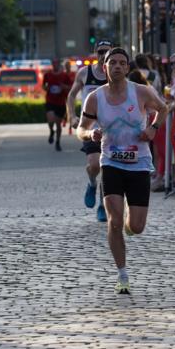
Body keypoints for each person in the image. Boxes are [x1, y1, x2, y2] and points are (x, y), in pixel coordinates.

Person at [77, 47, 168, 296]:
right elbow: (80, 128)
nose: (117, 66)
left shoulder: (140, 92)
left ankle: (131, 223)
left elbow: (164, 108)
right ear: (104, 67)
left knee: (136, 227)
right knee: (114, 220)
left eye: (121, 63)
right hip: (111, 164)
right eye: (112, 62)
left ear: (127, 68)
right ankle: (122, 274)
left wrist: (153, 129)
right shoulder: (95, 97)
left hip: (139, 163)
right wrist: (89, 134)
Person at [67, 39, 112, 222]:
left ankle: (102, 204)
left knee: (107, 168)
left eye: (107, 52)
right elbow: (71, 95)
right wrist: (72, 116)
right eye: (100, 52)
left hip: (112, 129)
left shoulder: (116, 74)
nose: (103, 56)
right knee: (94, 165)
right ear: (95, 52)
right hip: (90, 127)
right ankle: (92, 184)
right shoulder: (85, 73)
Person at [42, 58, 72, 151]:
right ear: (52, 64)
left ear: (59, 64)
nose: (55, 65)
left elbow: (71, 87)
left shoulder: (64, 76)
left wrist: (64, 87)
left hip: (61, 102)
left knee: (58, 124)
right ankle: (51, 131)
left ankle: (58, 142)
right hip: (50, 101)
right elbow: (44, 85)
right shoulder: (48, 75)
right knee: (51, 120)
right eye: (53, 63)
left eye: (56, 63)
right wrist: (46, 88)